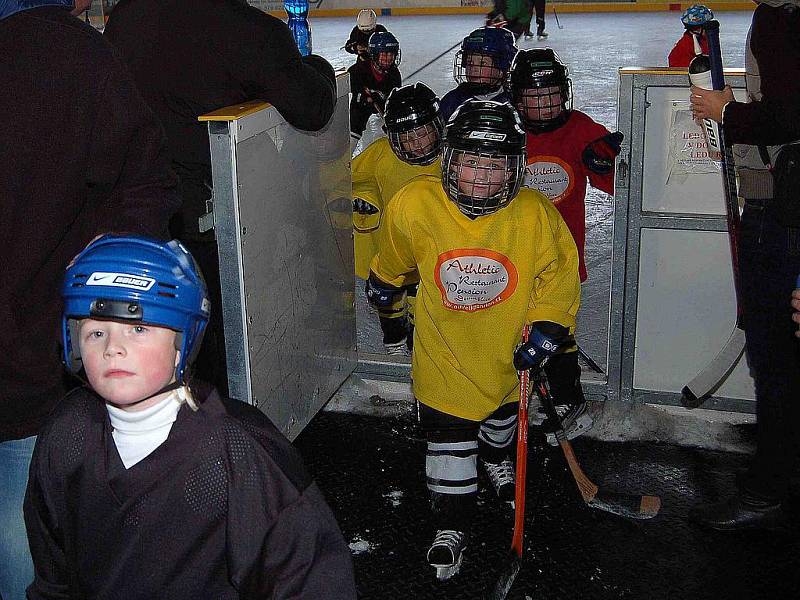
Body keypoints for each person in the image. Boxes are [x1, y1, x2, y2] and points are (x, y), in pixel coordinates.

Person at [24, 235, 357, 599]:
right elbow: (53, 577)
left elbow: (310, 579)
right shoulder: (67, 434)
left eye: (139, 328)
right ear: (73, 344)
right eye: (96, 332)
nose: (112, 348)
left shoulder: (238, 450)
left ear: (183, 341)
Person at [0, 2, 179, 599]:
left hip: (24, 375)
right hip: (25, 371)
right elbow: (144, 183)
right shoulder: (63, 50)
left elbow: (141, 188)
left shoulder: (58, 52)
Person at [366, 100, 580, 579]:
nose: (481, 177)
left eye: (495, 164)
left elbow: (558, 275)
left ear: (515, 166)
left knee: (501, 420)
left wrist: (547, 325)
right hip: (443, 352)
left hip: (504, 353)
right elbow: (397, 252)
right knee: (449, 444)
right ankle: (452, 523)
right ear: (450, 158)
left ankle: (498, 455)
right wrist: (385, 279)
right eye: (470, 162)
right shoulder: (416, 203)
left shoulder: (534, 214)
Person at [104, 0, 338, 397]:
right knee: (218, 346)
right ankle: (216, 433)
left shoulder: (128, 15)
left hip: (138, 212)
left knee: (160, 337)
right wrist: (319, 68)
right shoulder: (251, 30)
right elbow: (311, 107)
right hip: (210, 218)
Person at [688, 0, 800, 531]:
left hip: (785, 215)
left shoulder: (784, 17)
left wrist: (726, 113)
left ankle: (770, 487)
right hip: (782, 206)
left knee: (776, 352)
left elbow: (790, 111)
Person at [507, 48, 622, 443]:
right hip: (510, 251)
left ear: (565, 93)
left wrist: (605, 162)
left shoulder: (579, 129)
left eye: (551, 95)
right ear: (517, 100)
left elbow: (614, 186)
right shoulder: (507, 130)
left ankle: (567, 397)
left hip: (561, 255)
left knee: (558, 329)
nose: (544, 105)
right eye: (534, 98)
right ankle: (508, 394)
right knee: (509, 323)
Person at [352, 82, 445, 355]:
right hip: (391, 253)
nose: (416, 144)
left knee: (425, 306)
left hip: (435, 254)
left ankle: (420, 343)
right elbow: (347, 178)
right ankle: (393, 339)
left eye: (422, 134)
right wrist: (364, 195)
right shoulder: (381, 154)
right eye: (407, 137)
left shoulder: (454, 158)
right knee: (389, 299)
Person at [439, 26, 517, 122]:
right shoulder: (452, 101)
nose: (473, 68)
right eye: (469, 62)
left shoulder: (515, 101)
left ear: (502, 69)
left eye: (482, 63)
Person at [347, 30, 403, 151]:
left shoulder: (394, 75)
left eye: (391, 54)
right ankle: (347, 154)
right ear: (374, 54)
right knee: (356, 117)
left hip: (382, 103)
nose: (388, 59)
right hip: (362, 104)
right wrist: (362, 96)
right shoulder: (357, 71)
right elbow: (346, 88)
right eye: (384, 54)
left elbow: (394, 101)